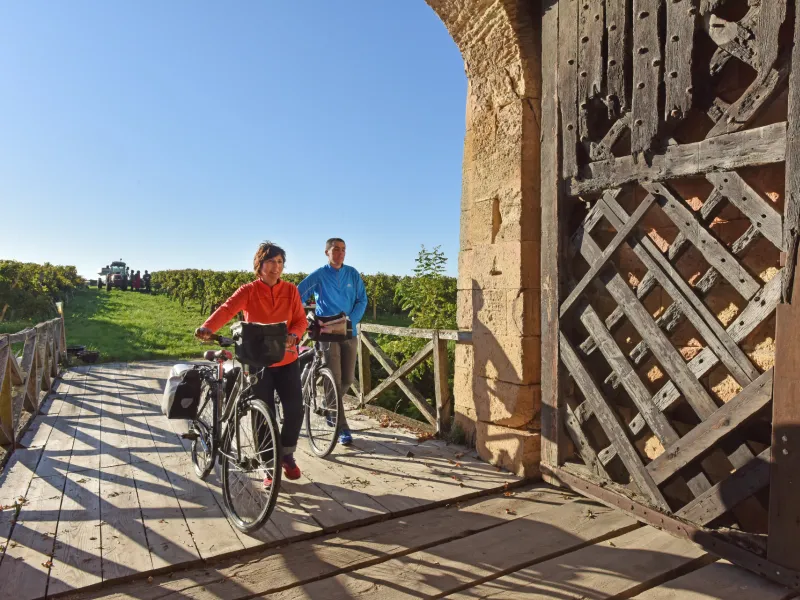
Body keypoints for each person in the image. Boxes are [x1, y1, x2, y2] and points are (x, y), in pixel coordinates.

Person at [195, 241, 307, 481]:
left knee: (295, 409)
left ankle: (286, 454)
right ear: (260, 264)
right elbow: (227, 309)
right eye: (271, 262)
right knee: (262, 413)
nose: (276, 267)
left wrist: (295, 336)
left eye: (279, 262)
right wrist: (208, 327)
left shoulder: (291, 290)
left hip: (287, 359)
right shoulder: (248, 290)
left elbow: (300, 320)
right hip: (257, 362)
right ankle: (268, 465)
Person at [298, 238, 367, 446]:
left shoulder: (352, 274)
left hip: (348, 331)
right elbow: (297, 294)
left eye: (344, 249)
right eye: (336, 249)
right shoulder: (319, 275)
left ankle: (329, 405)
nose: (340, 253)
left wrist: (350, 321)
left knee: (347, 378)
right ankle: (341, 427)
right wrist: (305, 319)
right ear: (327, 252)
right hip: (326, 333)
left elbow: (362, 300)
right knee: (334, 379)